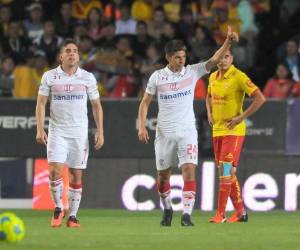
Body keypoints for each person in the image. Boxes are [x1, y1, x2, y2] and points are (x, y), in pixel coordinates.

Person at [137, 26, 239, 227]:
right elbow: (145, 102)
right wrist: (141, 126)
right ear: (168, 57)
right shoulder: (157, 77)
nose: (181, 60)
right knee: (163, 177)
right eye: (177, 57)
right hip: (164, 133)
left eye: (183, 56)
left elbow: (214, 59)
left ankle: (186, 215)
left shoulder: (192, 72)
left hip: (187, 132)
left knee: (189, 170)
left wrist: (228, 42)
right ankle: (167, 208)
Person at [35, 39, 104, 228]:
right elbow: (41, 103)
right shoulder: (49, 76)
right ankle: (58, 208)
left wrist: (100, 130)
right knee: (54, 171)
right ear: (61, 56)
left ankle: (73, 216)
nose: (72, 53)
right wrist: (40, 129)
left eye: (75, 51)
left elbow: (96, 106)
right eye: (68, 51)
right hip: (57, 131)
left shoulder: (87, 77)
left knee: (75, 175)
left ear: (78, 56)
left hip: (79, 133)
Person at [206, 48, 265, 223]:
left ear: (231, 58)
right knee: (227, 172)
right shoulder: (212, 77)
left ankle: (220, 214)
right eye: (220, 57)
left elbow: (260, 98)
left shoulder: (238, 76)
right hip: (217, 130)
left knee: (225, 170)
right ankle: (241, 212)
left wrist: (241, 117)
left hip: (233, 130)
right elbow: (208, 96)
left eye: (226, 57)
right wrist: (209, 113)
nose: (222, 60)